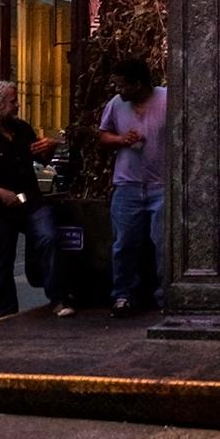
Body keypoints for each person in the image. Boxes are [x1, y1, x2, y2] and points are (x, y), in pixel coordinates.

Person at [0, 80, 71, 319]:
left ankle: (58, 297)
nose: (17, 105)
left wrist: (49, 147)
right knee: (2, 258)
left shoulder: (21, 129)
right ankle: (3, 312)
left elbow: (42, 159)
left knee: (48, 238)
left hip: (30, 200)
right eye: (12, 102)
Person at [97, 58, 167, 319]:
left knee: (163, 243)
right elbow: (103, 135)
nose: (119, 90)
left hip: (161, 184)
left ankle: (165, 294)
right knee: (124, 242)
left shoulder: (166, 99)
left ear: (138, 84)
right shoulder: (116, 105)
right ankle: (123, 295)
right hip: (127, 184)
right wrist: (121, 140)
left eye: (123, 85)